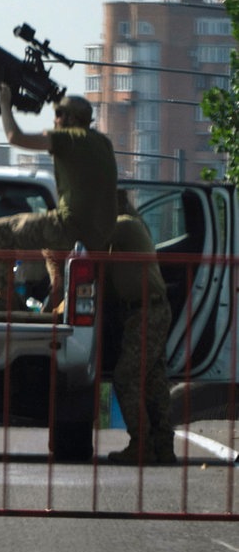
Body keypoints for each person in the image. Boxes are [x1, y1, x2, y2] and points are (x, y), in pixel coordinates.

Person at [0, 83, 118, 310]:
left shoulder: (66, 137)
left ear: (69, 118)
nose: (54, 119)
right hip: (98, 235)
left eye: (58, 114)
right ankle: (54, 304)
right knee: (50, 251)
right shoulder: (103, 143)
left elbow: (14, 137)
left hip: (70, 227)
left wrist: (5, 104)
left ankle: (3, 297)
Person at [104, 193, 175, 465]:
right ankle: (163, 448)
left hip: (147, 311)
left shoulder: (125, 225)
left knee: (126, 377)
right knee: (154, 382)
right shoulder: (132, 227)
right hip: (148, 310)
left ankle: (141, 445)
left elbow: (93, 237)